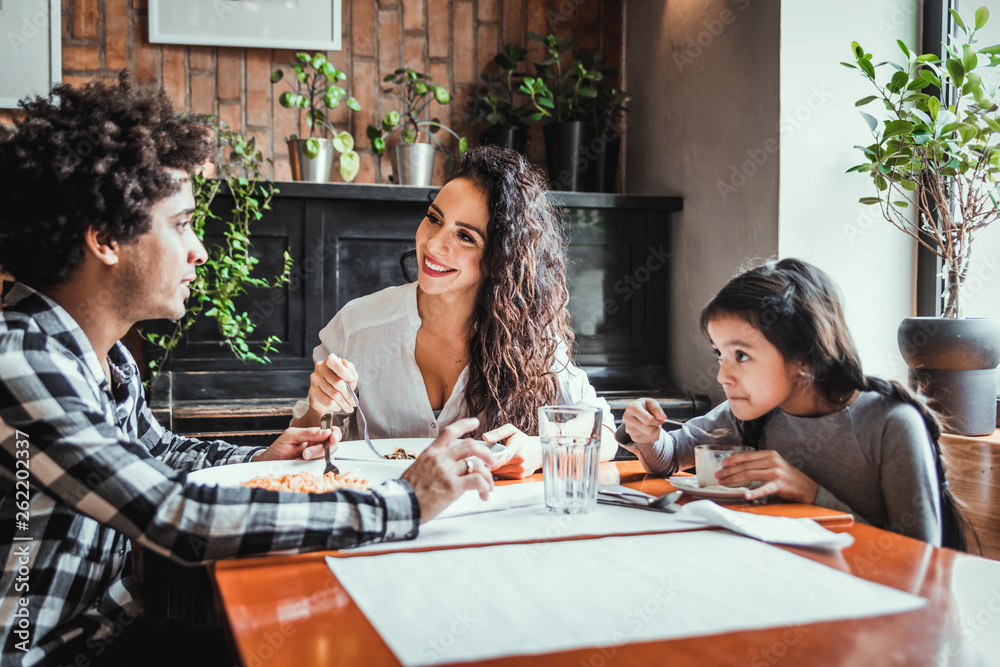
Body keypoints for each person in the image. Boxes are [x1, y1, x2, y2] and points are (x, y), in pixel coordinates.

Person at [0, 74, 496, 665]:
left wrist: (262, 459)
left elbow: (161, 454)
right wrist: (404, 504)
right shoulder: (21, 360)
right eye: (181, 224)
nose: (200, 250)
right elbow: (177, 516)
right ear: (106, 239)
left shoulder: (103, 361)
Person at [290, 146, 617, 478]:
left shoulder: (528, 335)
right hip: (385, 516)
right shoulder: (357, 323)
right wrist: (319, 408)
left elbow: (605, 435)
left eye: (465, 236)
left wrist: (542, 450)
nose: (433, 245)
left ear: (499, 259)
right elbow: (300, 445)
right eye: (434, 219)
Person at [620, 258, 968, 549]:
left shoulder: (889, 424)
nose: (722, 376)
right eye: (719, 354)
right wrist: (648, 435)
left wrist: (812, 494)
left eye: (741, 355)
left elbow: (919, 555)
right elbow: (669, 458)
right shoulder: (752, 413)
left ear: (803, 355)